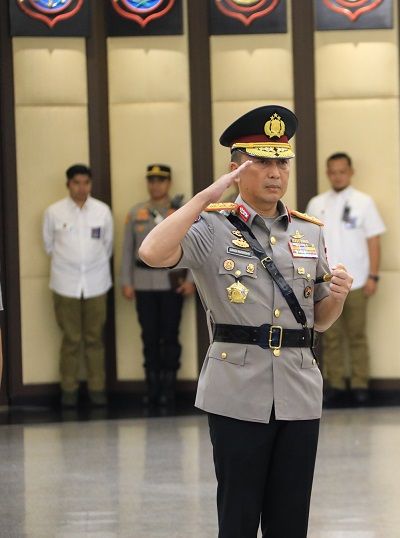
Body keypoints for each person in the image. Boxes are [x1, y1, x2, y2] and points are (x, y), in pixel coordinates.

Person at [138, 105, 353, 537]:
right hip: (237, 390)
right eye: (262, 162)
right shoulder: (211, 226)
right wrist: (205, 197)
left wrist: (338, 297)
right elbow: (152, 252)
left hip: (298, 389)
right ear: (236, 169)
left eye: (282, 162)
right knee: (238, 515)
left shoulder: (308, 231)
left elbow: (319, 321)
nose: (275, 172)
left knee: (290, 520)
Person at [305, 152, 386, 404]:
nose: (337, 176)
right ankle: (336, 384)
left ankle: (361, 385)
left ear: (351, 172)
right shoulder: (316, 204)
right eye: (333, 172)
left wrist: (373, 276)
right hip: (326, 282)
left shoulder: (364, 202)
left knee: (357, 334)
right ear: (327, 173)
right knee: (330, 336)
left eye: (342, 171)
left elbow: (374, 240)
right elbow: (308, 241)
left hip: (358, 280)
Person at [120, 164, 195, 406]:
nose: (156, 185)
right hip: (143, 284)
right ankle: (152, 388)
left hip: (172, 282)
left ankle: (169, 389)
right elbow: (127, 249)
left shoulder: (180, 210)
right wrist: (126, 281)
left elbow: (194, 246)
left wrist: (191, 281)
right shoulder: (136, 213)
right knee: (149, 336)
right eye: (151, 180)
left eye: (160, 180)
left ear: (169, 183)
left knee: (170, 336)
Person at [43, 164, 113, 408]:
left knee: (94, 339)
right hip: (65, 283)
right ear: (68, 184)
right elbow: (49, 246)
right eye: (76, 183)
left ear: (90, 184)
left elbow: (107, 246)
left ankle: (97, 391)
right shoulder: (54, 212)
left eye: (86, 183)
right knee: (71, 339)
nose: (82, 188)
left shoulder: (102, 211)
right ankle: (69, 392)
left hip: (96, 282)